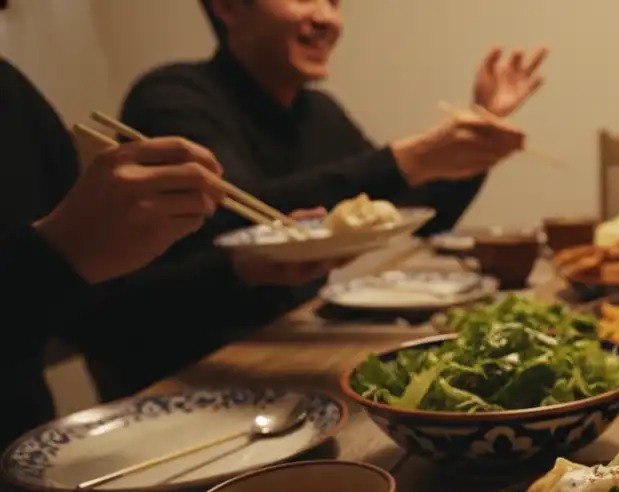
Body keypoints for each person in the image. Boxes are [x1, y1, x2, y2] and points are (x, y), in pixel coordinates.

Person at [64, 0, 536, 400]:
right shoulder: (174, 96)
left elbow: (421, 213)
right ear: (227, 6)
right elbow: (240, 215)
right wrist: (403, 159)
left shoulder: (318, 112)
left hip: (288, 359)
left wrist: (478, 135)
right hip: (181, 378)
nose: (326, 16)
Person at [0, 58, 224, 443]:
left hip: (30, 466)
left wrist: (243, 268)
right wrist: (53, 255)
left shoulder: (9, 91)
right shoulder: (172, 95)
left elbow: (102, 321)